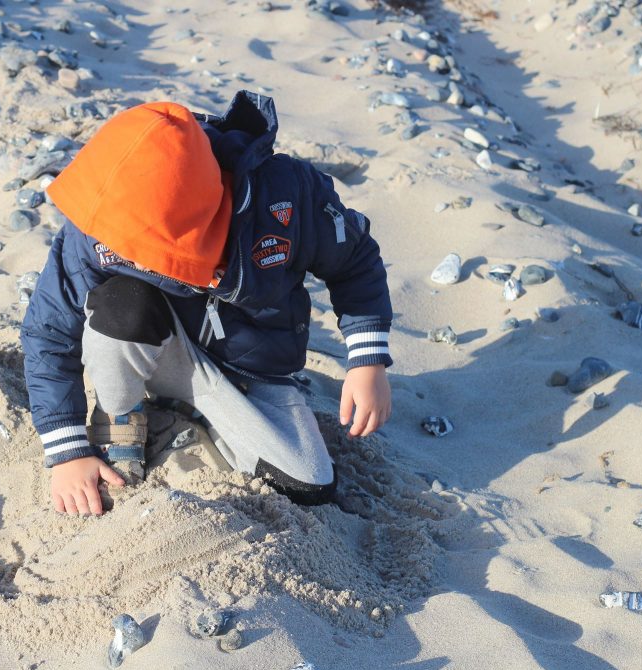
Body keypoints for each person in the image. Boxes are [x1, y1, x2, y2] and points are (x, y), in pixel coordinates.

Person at [20, 91, 393, 517]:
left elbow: (356, 261)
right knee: (121, 302)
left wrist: (367, 362)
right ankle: (121, 412)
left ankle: (200, 413)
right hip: (158, 343)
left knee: (309, 485)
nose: (124, 253)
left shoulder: (287, 197)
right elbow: (48, 331)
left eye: (141, 249)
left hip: (252, 369)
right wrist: (67, 451)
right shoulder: (100, 218)